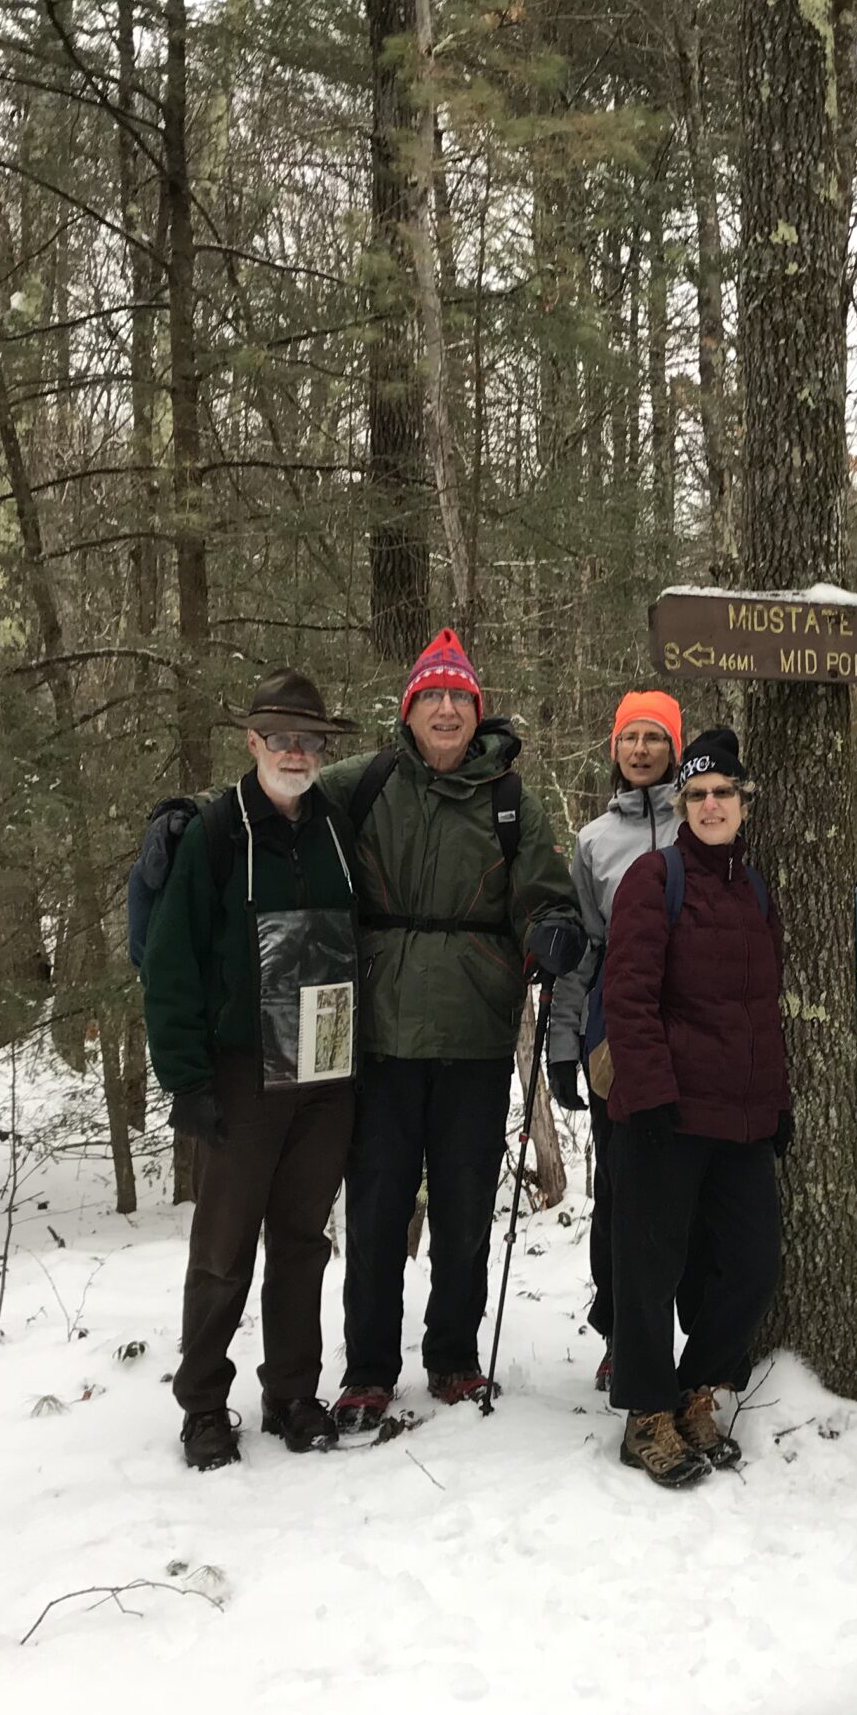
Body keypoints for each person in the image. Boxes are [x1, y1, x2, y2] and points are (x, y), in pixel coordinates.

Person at [315, 628, 584, 1432]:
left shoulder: (510, 800)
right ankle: (367, 1368)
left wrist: (551, 931)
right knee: (376, 1207)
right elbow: (275, 798)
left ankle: (455, 1357)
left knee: (466, 1205)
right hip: (380, 1032)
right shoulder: (363, 783)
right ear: (410, 710)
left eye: (457, 699)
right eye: (430, 697)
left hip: (473, 1031)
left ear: (476, 712)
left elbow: (544, 893)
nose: (444, 710)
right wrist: (190, 815)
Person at [141, 669, 364, 1469]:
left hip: (325, 1066)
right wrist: (187, 1080)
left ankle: (293, 1395)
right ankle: (203, 1404)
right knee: (224, 1247)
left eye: (308, 741)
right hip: (240, 1070)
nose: (295, 752)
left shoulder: (335, 827)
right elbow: (169, 966)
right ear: (253, 743)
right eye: (281, 738)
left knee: (303, 1242)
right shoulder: (214, 835)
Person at [597, 728, 789, 1488]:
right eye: (699, 794)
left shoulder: (754, 886)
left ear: (745, 802)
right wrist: (646, 1096)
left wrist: (777, 1104)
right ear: (686, 804)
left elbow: (761, 1010)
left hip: (741, 1115)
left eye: (724, 794)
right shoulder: (655, 876)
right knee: (648, 1266)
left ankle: (698, 1388)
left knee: (751, 1263)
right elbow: (629, 993)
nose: (712, 805)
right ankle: (646, 1414)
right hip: (665, 1112)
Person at [547, 690, 686, 1389]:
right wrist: (564, 1042)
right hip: (614, 1031)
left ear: (675, 749)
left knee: (690, 1185)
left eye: (654, 738)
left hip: (694, 1027)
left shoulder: (704, 818)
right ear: (613, 749)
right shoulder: (596, 840)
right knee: (624, 1188)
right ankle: (621, 1328)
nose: (639, 749)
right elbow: (582, 948)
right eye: (629, 737)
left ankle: (691, 1324)